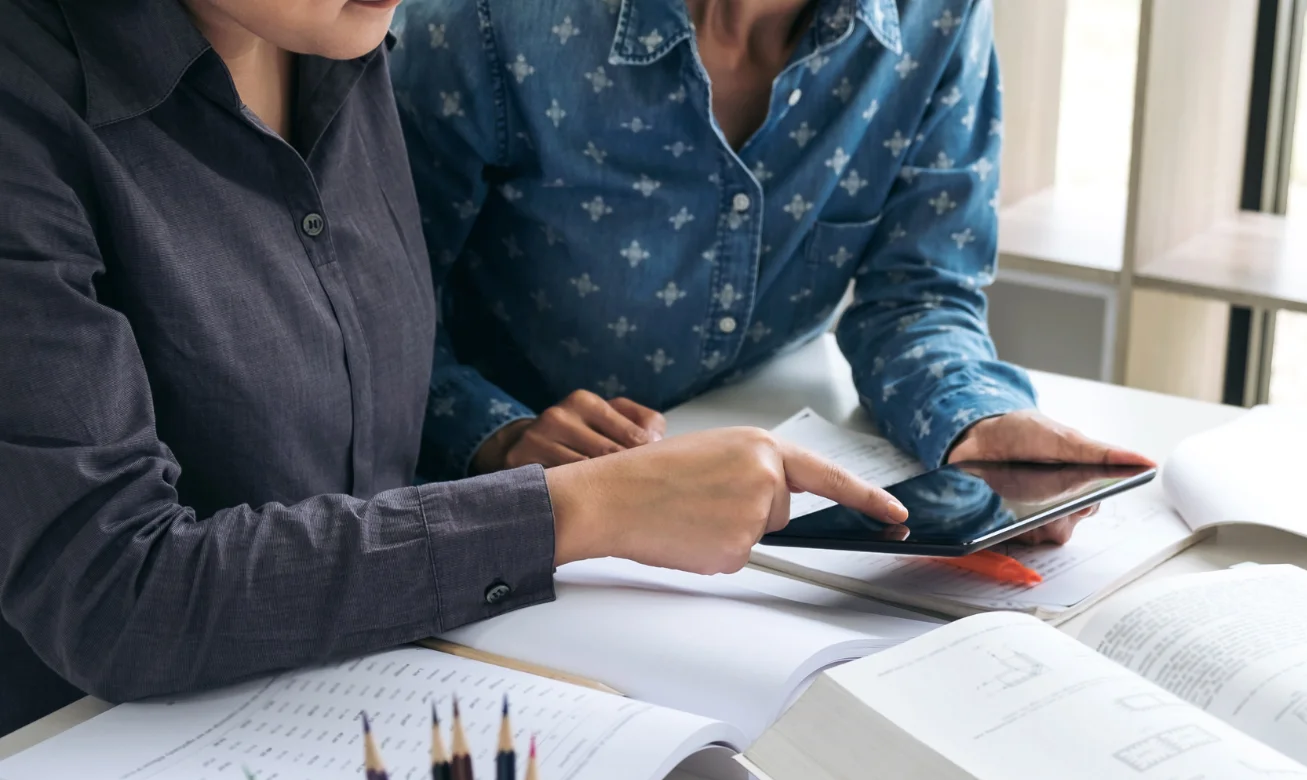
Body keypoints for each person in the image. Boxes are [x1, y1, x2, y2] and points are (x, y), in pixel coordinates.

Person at [0, 0, 905, 738]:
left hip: (367, 700)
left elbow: (353, 446)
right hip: (82, 774)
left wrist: (509, 456)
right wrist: (586, 510)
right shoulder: (28, 105)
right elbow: (116, 594)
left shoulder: (339, 41)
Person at [390, 0, 1149, 525]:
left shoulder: (939, 19)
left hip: (759, 475)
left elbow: (919, 291)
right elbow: (369, 320)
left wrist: (974, 420)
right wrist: (496, 434)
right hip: (519, 505)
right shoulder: (485, 21)